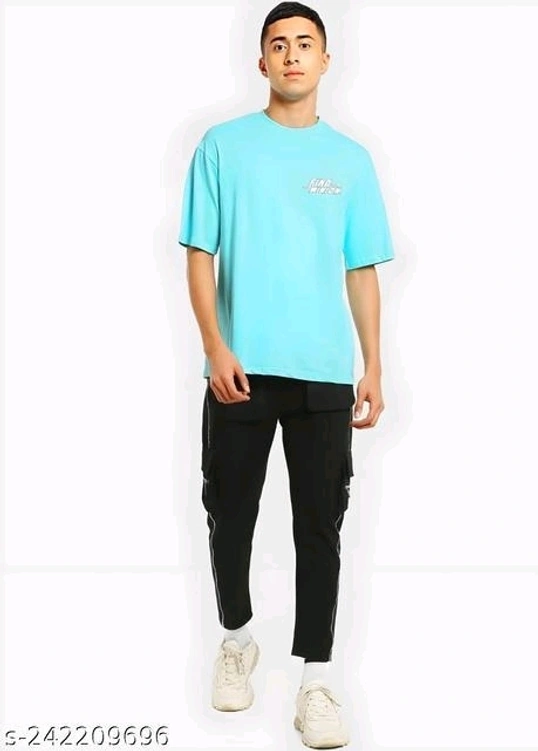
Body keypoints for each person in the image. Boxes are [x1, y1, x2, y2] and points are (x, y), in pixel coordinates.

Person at [178, 2, 395, 747]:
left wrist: (374, 364)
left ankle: (317, 679)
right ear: (262, 61)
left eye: (306, 44)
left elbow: (361, 268)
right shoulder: (223, 147)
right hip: (238, 368)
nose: (292, 54)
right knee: (229, 511)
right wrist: (215, 346)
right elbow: (200, 253)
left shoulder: (350, 161)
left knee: (320, 525)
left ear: (326, 60)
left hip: (324, 372)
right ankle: (236, 639)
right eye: (279, 44)